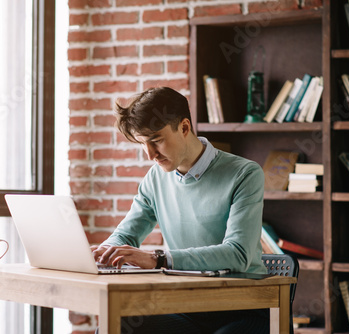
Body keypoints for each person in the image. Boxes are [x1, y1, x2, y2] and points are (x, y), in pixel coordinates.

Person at [91, 87, 269, 333]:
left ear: (184, 128)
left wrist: (158, 259)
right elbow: (126, 235)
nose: (150, 155)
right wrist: (104, 253)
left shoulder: (244, 174)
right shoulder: (155, 178)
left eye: (156, 140)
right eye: (143, 144)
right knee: (114, 326)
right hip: (186, 306)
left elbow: (237, 254)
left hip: (243, 308)